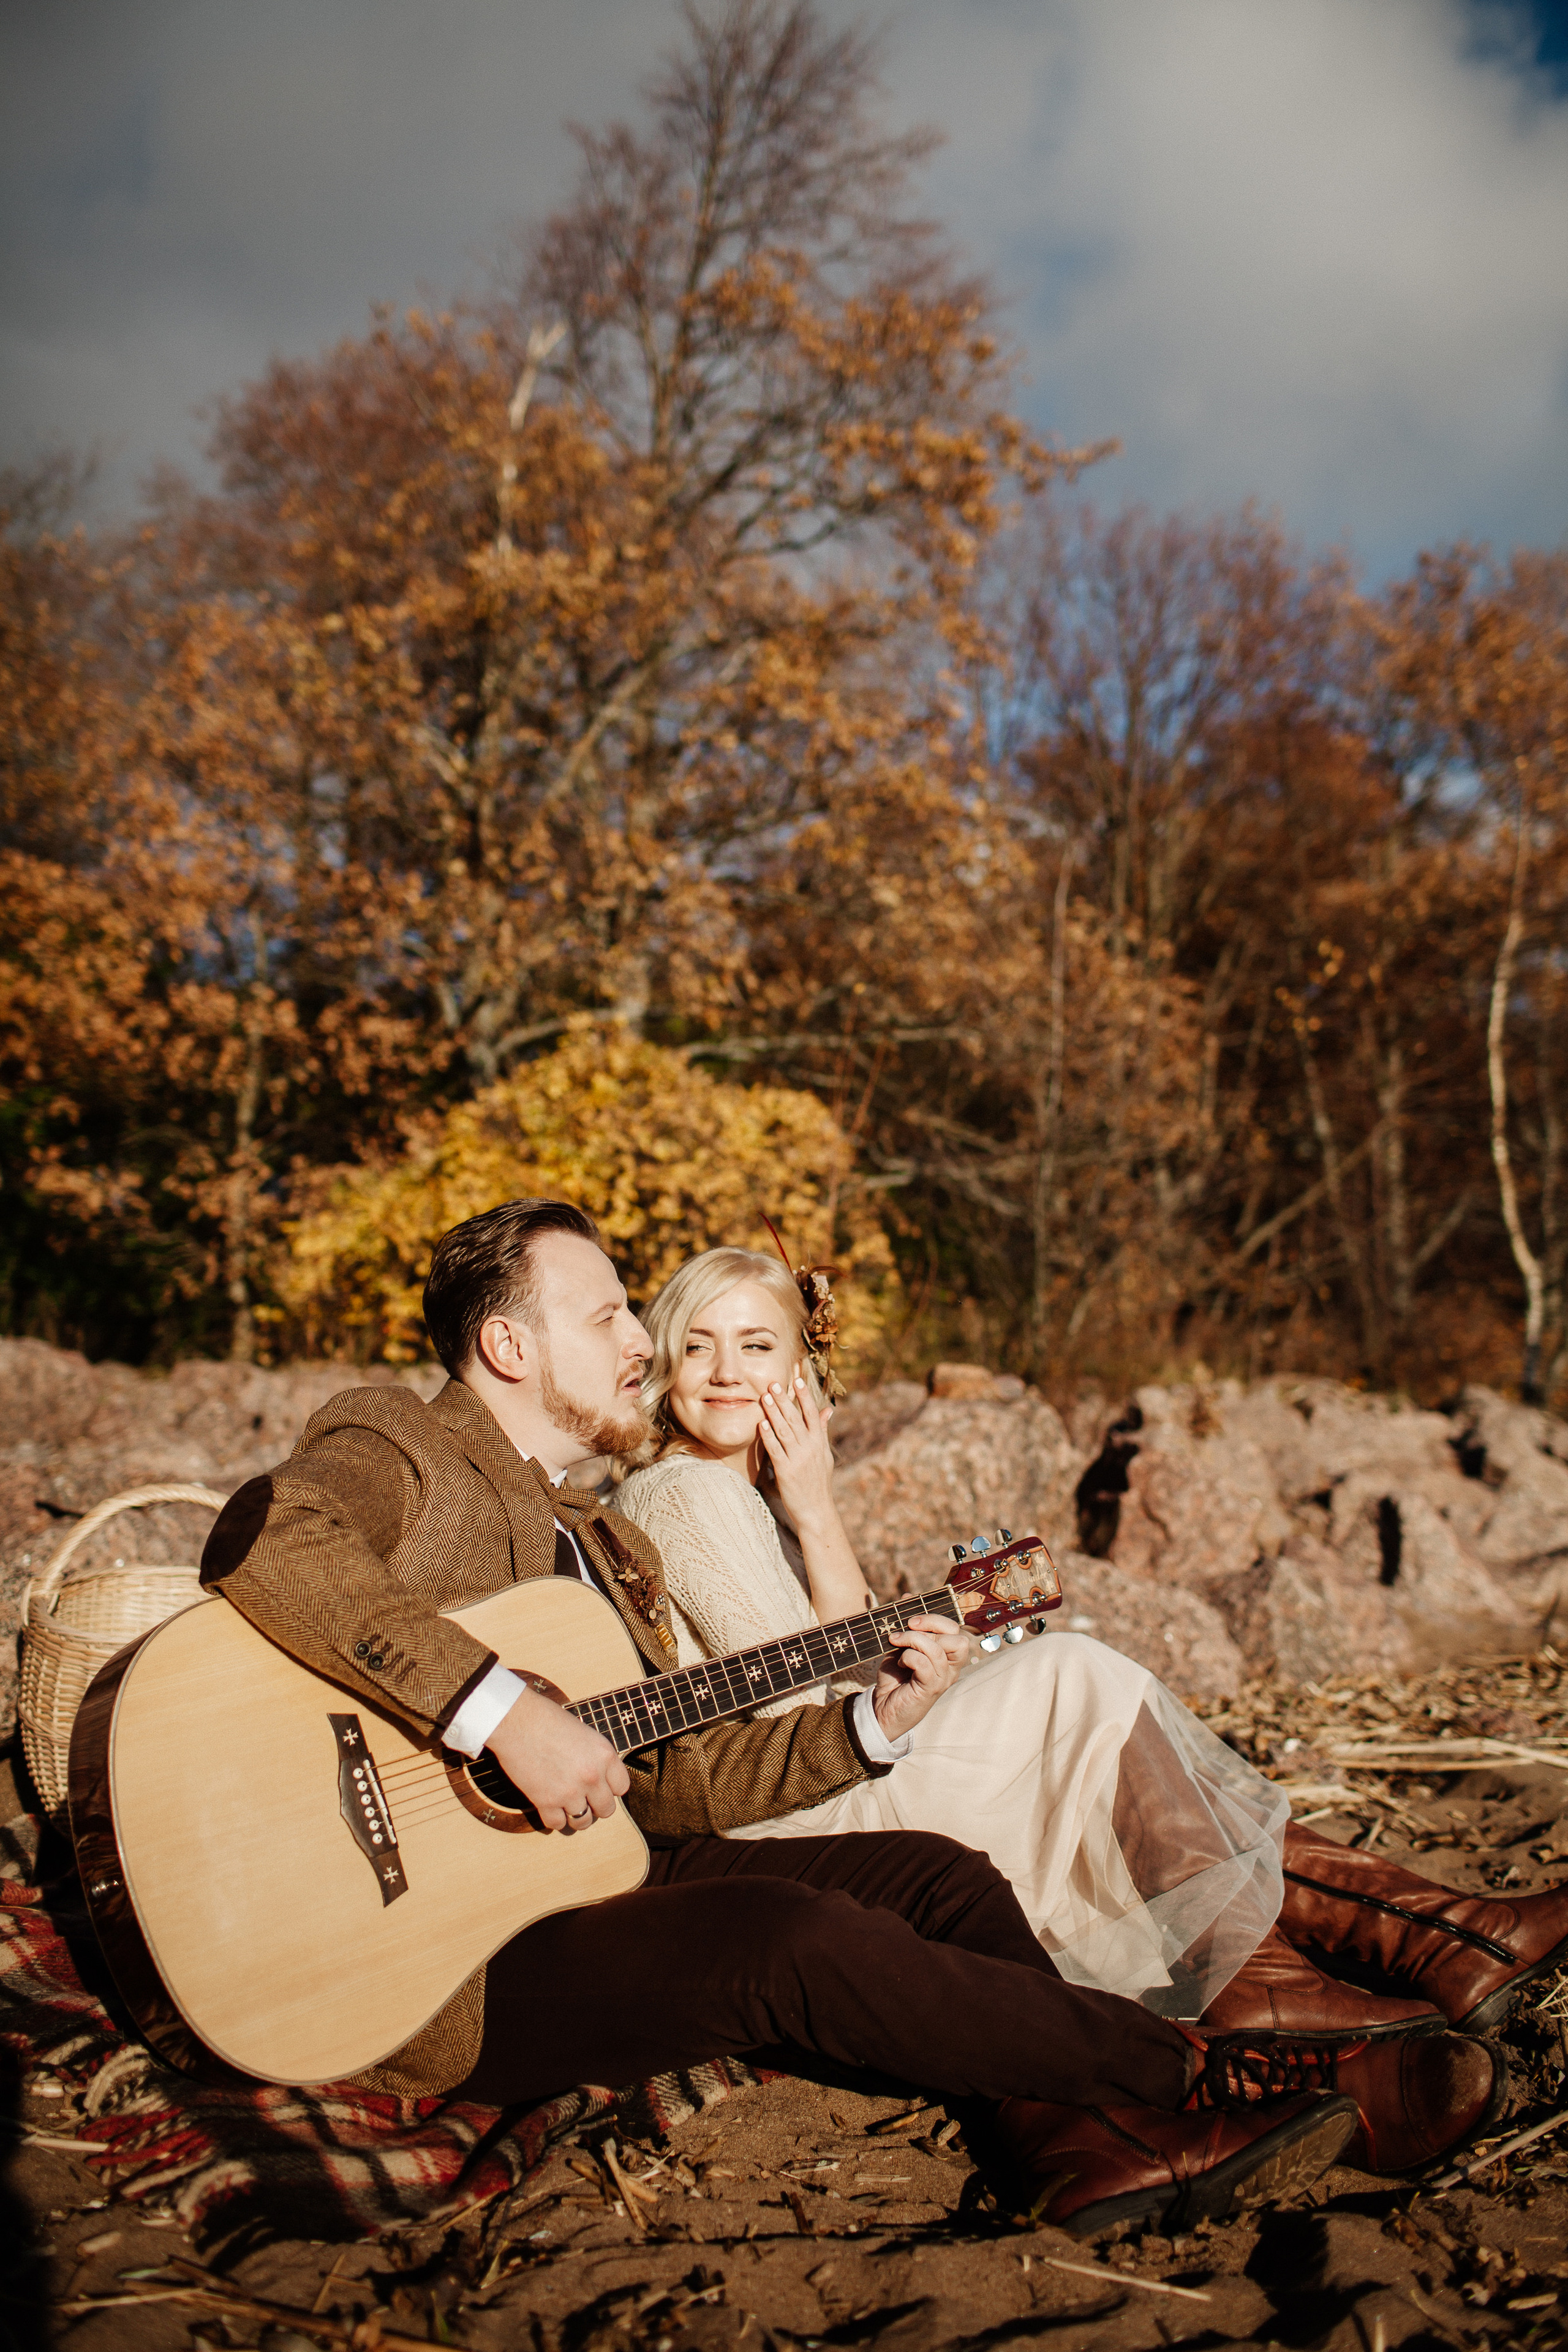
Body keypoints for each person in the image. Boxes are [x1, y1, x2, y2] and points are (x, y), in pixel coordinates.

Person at [200, 1200, 1507, 2231]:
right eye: (609, 1316)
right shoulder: (403, 1446)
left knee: (936, 1874)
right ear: (509, 1344)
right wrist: (496, 1712)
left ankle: (1082, 2143)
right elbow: (276, 1542)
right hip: (436, 1954)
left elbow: (677, 1775)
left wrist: (866, 1730)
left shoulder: (602, 1545)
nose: (641, 1344)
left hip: (596, 1867)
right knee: (791, 1935)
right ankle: (1198, 2080)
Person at [613, 1245, 1568, 2048]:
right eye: (697, 1346)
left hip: (824, 1764)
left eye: (756, 1345)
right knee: (1078, 1677)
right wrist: (818, 1510)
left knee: (1117, 1748)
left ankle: (1414, 1942)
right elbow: (804, 1706)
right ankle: (1383, 1950)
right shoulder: (685, 1494)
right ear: (663, 1363)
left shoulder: (742, 1494)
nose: (726, 1370)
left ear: (800, 1376)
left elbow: (840, 1667)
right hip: (782, 1803)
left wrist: (811, 1508)